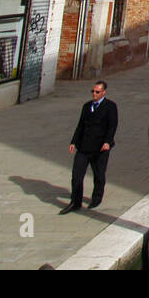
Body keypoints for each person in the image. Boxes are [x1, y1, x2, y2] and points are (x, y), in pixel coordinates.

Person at [63, 80, 117, 213]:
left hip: (100, 148)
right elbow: (80, 125)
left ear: (103, 92)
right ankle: (75, 201)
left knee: (98, 174)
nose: (94, 94)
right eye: (93, 91)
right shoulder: (87, 106)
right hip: (84, 146)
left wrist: (107, 142)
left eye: (97, 92)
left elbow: (112, 126)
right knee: (76, 175)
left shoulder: (110, 106)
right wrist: (73, 142)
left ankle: (96, 198)